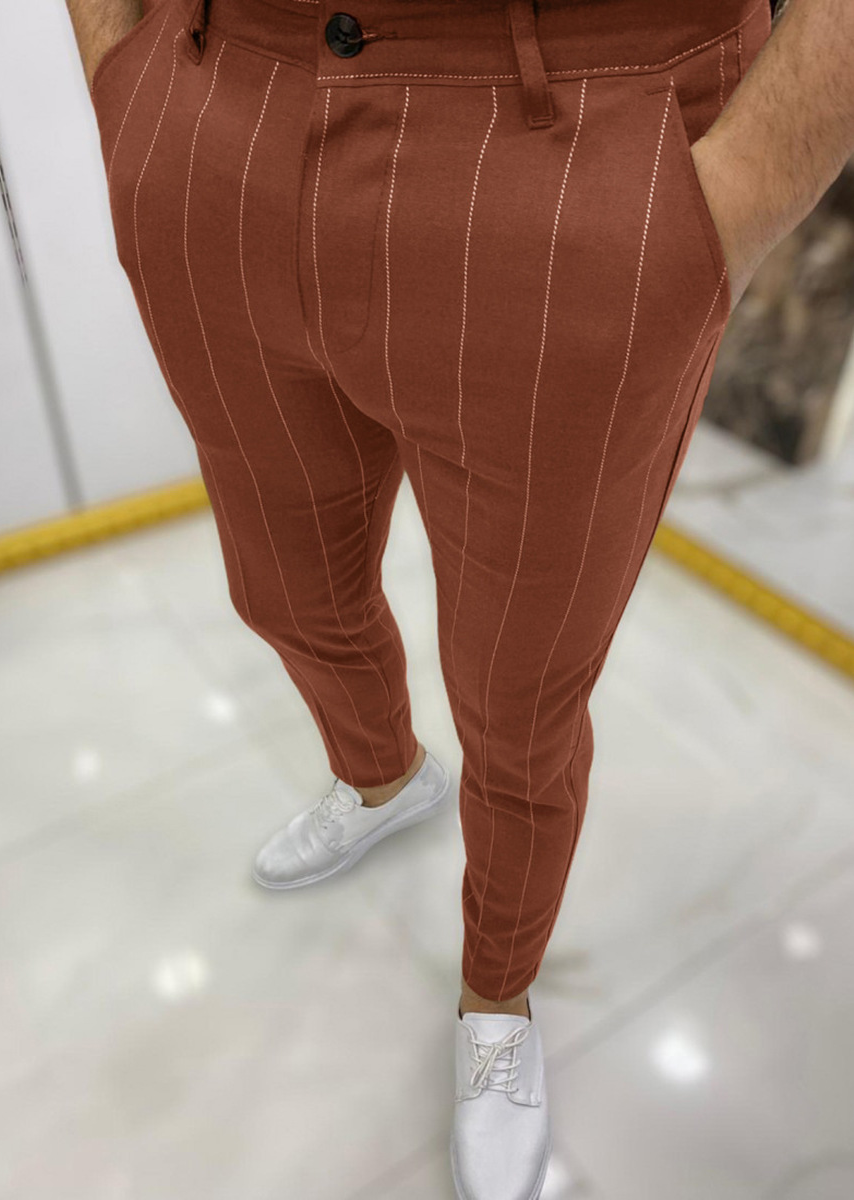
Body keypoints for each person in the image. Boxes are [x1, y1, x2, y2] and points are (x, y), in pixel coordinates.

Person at [65, 0, 854, 1195]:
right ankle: (383, 778)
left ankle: (499, 995)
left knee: (520, 698)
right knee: (281, 586)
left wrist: (739, 187)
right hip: (216, 101)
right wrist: (121, 80)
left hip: (570, 143)